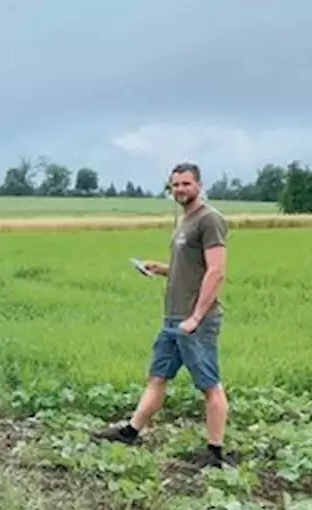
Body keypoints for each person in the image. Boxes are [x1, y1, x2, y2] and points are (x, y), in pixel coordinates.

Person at [94, 162, 230, 467]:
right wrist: (161, 269)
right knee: (157, 377)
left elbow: (216, 271)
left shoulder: (210, 220)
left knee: (209, 384)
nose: (180, 189)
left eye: (186, 184)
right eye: (175, 185)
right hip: (172, 319)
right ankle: (130, 431)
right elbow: (190, 268)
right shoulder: (184, 221)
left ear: (199, 185)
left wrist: (196, 317)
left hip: (196, 320)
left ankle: (215, 452)